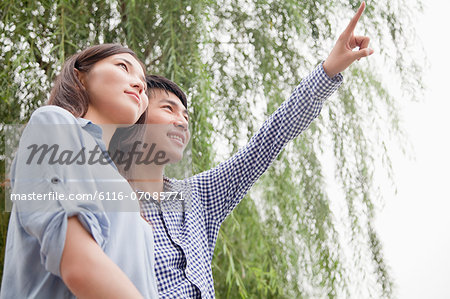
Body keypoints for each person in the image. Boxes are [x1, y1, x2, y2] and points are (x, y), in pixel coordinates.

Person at [115, 2, 373, 298]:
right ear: (137, 115)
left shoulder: (198, 198)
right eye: (169, 109)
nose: (182, 121)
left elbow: (268, 141)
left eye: (186, 116)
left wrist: (328, 71)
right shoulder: (103, 198)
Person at [1, 44, 158, 298]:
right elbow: (79, 265)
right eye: (122, 66)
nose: (140, 86)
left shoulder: (121, 185)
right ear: (80, 77)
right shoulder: (53, 123)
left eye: (144, 83)